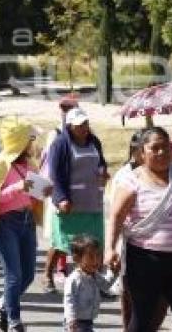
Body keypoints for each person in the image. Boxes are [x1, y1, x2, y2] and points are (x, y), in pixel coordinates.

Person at [105, 126, 172, 332]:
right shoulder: (132, 180)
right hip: (144, 261)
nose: (162, 153)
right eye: (155, 148)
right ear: (142, 153)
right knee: (141, 322)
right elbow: (116, 216)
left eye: (166, 147)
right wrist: (109, 249)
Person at [0, 117, 49, 332]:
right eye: (29, 139)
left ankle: (1, 304)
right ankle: (14, 321)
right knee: (14, 275)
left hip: (26, 221)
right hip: (4, 223)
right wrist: (18, 188)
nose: (32, 143)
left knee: (29, 275)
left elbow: (33, 194)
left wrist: (43, 191)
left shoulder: (27, 164)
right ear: (19, 141)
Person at [47, 108, 108, 278]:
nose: (83, 128)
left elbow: (101, 162)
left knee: (95, 242)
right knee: (62, 244)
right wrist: (61, 198)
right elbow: (55, 174)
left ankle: (96, 279)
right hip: (70, 203)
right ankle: (47, 275)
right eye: (79, 125)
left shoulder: (94, 141)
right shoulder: (60, 144)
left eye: (85, 124)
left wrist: (103, 172)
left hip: (92, 201)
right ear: (70, 126)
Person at [105, 130, 147, 327]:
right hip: (129, 240)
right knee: (128, 291)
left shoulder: (159, 171)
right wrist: (113, 247)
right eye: (146, 148)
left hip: (151, 242)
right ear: (136, 151)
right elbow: (116, 212)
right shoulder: (125, 175)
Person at [40, 95, 79, 292]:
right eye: (64, 108)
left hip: (80, 190)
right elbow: (50, 167)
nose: (67, 111)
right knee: (59, 235)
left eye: (71, 107)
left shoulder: (83, 133)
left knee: (79, 235)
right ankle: (48, 273)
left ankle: (84, 279)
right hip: (59, 190)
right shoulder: (55, 134)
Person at [63, 235, 117, 332]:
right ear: (77, 259)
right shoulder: (74, 279)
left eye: (98, 256)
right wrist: (71, 319)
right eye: (91, 257)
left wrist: (113, 272)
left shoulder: (95, 275)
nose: (96, 260)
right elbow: (69, 300)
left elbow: (106, 285)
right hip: (76, 323)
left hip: (88, 321)